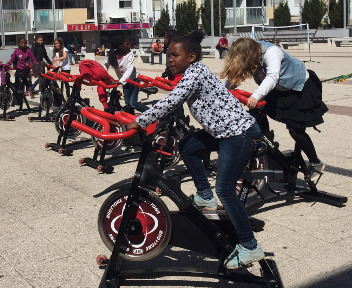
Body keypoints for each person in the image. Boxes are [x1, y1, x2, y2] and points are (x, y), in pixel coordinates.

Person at [126, 31, 265, 269]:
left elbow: (174, 100)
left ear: (191, 57)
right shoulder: (190, 72)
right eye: (168, 55)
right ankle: (205, 197)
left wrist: (142, 119)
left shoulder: (196, 73)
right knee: (187, 146)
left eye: (175, 55)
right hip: (221, 132)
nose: (170, 59)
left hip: (237, 133)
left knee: (225, 189)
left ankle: (250, 246)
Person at [222, 37, 327, 184]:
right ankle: (269, 148)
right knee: (257, 113)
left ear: (250, 54)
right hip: (279, 89)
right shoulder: (252, 57)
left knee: (295, 129)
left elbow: (272, 77)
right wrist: (224, 91)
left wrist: (256, 95)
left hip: (299, 88)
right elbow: (235, 75)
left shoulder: (271, 52)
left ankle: (315, 162)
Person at [104, 35, 148, 113]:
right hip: (125, 81)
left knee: (133, 103)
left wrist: (121, 81)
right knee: (127, 103)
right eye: (127, 43)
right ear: (120, 46)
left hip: (134, 79)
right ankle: (131, 119)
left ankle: (151, 113)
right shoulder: (112, 56)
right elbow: (105, 66)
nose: (129, 45)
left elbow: (130, 69)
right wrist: (103, 77)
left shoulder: (129, 54)